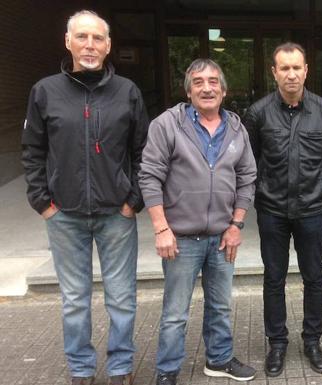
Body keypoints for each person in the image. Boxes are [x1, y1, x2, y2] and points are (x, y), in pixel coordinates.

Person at [21, 10, 148, 385]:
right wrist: (42, 202)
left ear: (108, 46)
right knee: (75, 301)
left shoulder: (127, 92)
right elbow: (32, 150)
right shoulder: (45, 91)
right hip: (64, 215)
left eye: (97, 38)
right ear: (68, 42)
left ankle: (121, 367)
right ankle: (81, 369)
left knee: (121, 298)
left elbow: (144, 150)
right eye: (82, 37)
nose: (90, 45)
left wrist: (133, 200)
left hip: (116, 214)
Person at [139, 59, 257, 385]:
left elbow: (247, 177)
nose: (207, 88)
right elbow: (149, 177)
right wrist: (161, 228)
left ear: (224, 89)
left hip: (222, 235)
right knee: (175, 313)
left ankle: (218, 360)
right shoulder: (166, 124)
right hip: (180, 237)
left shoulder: (236, 128)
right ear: (188, 89)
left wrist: (237, 225)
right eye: (199, 82)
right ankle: (167, 371)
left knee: (220, 306)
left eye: (214, 82)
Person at [243, 42, 322, 377]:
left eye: (297, 67)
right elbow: (249, 163)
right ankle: (278, 342)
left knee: (314, 277)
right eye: (284, 68)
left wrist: (317, 191)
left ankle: (312, 341)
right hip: (272, 211)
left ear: (306, 69)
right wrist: (263, 195)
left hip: (312, 210)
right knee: (274, 278)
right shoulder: (257, 114)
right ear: (274, 72)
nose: (291, 74)